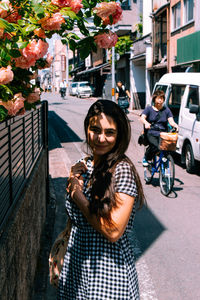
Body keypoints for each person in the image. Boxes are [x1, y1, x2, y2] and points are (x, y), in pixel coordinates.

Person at [58, 99, 146, 300]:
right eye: (95, 129)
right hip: (77, 271)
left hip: (109, 277)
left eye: (109, 132)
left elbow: (113, 231)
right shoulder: (83, 166)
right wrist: (74, 180)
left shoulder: (122, 170)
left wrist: (77, 194)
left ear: (119, 135)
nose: (100, 138)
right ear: (87, 128)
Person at [140, 90, 178, 166]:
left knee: (168, 147)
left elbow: (171, 121)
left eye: (162, 98)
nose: (160, 100)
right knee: (156, 146)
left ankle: (164, 162)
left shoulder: (166, 110)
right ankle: (146, 157)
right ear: (154, 99)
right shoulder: (149, 109)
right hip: (151, 132)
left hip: (163, 133)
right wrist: (146, 123)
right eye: (158, 98)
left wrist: (175, 125)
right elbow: (142, 118)